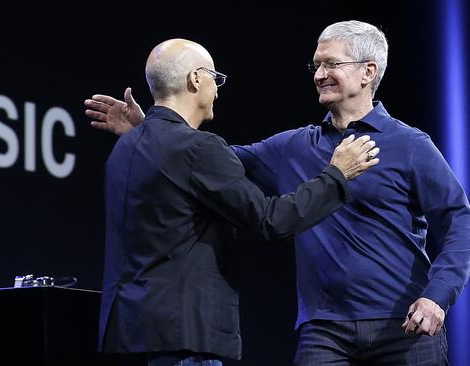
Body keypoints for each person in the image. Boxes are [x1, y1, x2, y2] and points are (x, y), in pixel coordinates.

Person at [86, 21, 470, 365]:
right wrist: (151, 133)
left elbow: (458, 224)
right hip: (324, 333)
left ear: (368, 71)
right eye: (316, 65)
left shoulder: (411, 145)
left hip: (403, 327)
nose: (319, 74)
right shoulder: (295, 147)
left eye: (331, 64)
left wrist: (438, 296)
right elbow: (206, 163)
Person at [96, 38, 379, 366]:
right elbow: (271, 220)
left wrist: (145, 129)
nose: (217, 90)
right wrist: (336, 175)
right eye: (215, 78)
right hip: (183, 341)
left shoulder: (126, 148)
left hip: (127, 337)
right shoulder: (199, 148)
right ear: (195, 79)